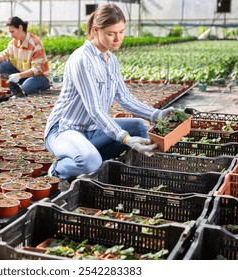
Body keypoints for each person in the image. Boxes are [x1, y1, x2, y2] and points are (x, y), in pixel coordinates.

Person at [44, 3, 174, 180]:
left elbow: (125, 98)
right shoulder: (81, 59)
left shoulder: (111, 60)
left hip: (93, 130)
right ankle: (58, 169)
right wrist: (126, 139)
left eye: (121, 32)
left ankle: (123, 167)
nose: (117, 38)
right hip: (65, 130)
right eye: (111, 34)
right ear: (96, 30)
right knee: (90, 162)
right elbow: (94, 109)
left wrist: (157, 115)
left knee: (138, 127)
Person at [0, 16, 51, 97]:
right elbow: (5, 54)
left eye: (12, 32)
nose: (11, 35)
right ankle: (17, 93)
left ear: (20, 28)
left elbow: (37, 69)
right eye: (10, 32)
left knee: (27, 87)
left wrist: (19, 76)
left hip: (39, 77)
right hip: (24, 76)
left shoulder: (35, 43)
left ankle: (43, 86)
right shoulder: (14, 42)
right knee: (2, 65)